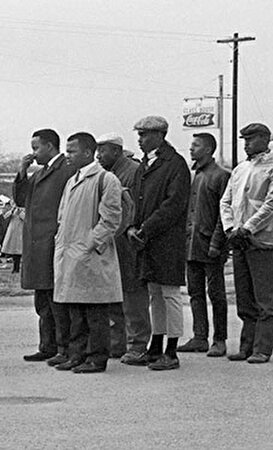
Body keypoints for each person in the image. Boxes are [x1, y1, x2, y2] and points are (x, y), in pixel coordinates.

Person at [53, 132, 123, 373]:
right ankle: (77, 355)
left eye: (72, 151)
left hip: (90, 255)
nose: (67, 155)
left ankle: (97, 358)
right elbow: (62, 216)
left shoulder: (106, 179)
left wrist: (89, 243)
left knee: (95, 310)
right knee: (76, 310)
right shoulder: (72, 181)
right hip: (71, 254)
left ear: (87, 153)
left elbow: (111, 219)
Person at [125, 115, 190, 371]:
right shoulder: (144, 165)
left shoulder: (175, 164)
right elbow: (136, 201)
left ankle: (171, 350)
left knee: (170, 294)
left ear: (160, 135)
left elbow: (174, 205)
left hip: (167, 239)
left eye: (144, 135)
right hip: (147, 239)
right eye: (139, 135)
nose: (140, 140)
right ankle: (156, 343)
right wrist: (132, 226)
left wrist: (145, 228)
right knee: (155, 293)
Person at [14, 128, 78, 363]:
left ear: (49, 146)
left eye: (36, 148)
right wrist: (22, 173)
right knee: (43, 300)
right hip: (37, 244)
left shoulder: (66, 170)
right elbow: (21, 199)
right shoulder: (40, 173)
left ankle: (64, 348)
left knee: (57, 300)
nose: (33, 153)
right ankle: (47, 345)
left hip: (53, 242)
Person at [220, 123, 273, 364]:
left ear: (264, 139)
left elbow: (271, 204)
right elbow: (226, 201)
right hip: (239, 240)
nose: (246, 144)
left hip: (263, 241)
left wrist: (248, 228)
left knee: (265, 298)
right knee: (244, 297)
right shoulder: (240, 169)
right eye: (244, 140)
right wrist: (230, 228)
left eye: (251, 139)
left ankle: (262, 348)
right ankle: (246, 345)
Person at [177, 133, 230, 357]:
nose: (191, 149)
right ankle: (200, 337)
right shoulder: (194, 175)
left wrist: (217, 243)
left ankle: (219, 339)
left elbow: (224, 213)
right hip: (192, 244)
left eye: (196, 145)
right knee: (195, 292)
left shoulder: (221, 175)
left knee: (216, 294)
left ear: (208, 149)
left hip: (211, 245)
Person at [95, 133, 146, 361]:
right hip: (112, 241)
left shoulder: (133, 171)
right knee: (113, 294)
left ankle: (137, 344)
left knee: (132, 295)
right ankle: (118, 343)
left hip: (127, 242)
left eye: (102, 150)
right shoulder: (106, 174)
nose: (98, 155)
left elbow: (133, 209)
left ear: (116, 150)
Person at [1, 206, 25, 273]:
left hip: (20, 233)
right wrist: (12, 210)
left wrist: (20, 213)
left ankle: (17, 268)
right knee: (13, 252)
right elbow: (5, 216)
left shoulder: (23, 210)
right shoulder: (13, 210)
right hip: (12, 233)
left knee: (18, 252)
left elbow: (25, 218)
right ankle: (14, 268)